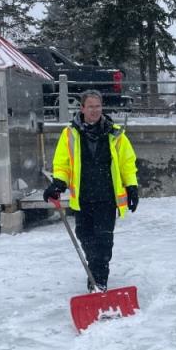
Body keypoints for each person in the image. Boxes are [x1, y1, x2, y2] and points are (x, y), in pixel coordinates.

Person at [43, 90, 138, 292]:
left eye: (98, 106)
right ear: (82, 108)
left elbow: (127, 164)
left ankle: (99, 281)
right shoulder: (70, 134)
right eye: (91, 106)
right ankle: (96, 269)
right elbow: (62, 164)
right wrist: (58, 183)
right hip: (84, 198)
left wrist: (132, 186)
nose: (95, 110)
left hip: (107, 197)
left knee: (104, 240)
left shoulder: (116, 133)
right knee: (85, 237)